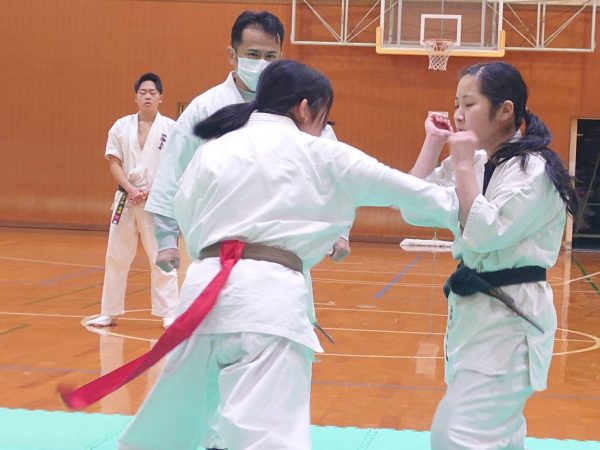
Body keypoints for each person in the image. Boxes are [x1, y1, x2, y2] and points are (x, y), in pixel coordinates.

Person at [117, 59, 459, 450]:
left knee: (170, 432)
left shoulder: (214, 149)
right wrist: (474, 197)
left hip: (201, 295)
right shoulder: (320, 153)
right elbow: (412, 194)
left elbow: (187, 215)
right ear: (305, 108)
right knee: (265, 438)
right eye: (323, 117)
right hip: (267, 304)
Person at [409, 61, 578, 449]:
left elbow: (484, 234)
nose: (457, 113)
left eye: (469, 104)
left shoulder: (533, 170)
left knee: (456, 436)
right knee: (497, 437)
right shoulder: (475, 162)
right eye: (456, 103)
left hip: (511, 319)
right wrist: (434, 143)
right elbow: (413, 208)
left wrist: (463, 164)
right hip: (474, 318)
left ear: (505, 111)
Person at [145, 10, 350, 276]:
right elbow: (172, 172)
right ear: (232, 55)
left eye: (270, 56)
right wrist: (166, 239)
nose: (262, 63)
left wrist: (339, 230)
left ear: (281, 58)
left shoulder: (300, 110)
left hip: (283, 252)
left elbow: (335, 170)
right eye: (253, 54)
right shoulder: (205, 109)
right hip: (216, 247)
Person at [86, 73, 179, 330]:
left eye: (152, 92)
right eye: (143, 92)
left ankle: (169, 312)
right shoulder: (120, 126)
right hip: (126, 199)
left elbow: (175, 166)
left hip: (157, 200)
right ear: (135, 97)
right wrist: (130, 188)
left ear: (161, 97)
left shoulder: (171, 128)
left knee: (162, 256)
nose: (147, 96)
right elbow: (114, 163)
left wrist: (152, 189)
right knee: (116, 255)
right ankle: (109, 311)